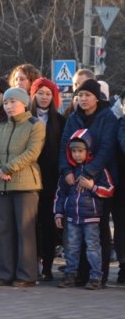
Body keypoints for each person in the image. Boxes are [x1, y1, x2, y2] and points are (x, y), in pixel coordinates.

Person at [58, 78, 117, 285]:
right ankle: (76, 274)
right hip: (74, 179)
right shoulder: (74, 116)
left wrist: (90, 172)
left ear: (96, 98)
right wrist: (66, 170)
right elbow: (65, 144)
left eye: (87, 95)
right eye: (80, 95)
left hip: (99, 179)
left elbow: (107, 147)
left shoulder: (107, 116)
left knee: (97, 232)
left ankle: (97, 276)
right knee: (75, 233)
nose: (83, 99)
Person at [0, 88, 46, 287]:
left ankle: (26, 275)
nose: (9, 106)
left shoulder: (35, 125)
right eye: (6, 102)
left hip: (25, 185)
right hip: (1, 184)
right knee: (4, 230)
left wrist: (8, 168)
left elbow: (32, 152)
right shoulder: (1, 126)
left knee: (25, 231)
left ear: (24, 103)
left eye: (13, 102)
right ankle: (6, 273)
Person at [55, 131, 114, 290]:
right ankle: (70, 275)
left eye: (80, 151)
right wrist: (59, 213)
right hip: (72, 218)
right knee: (71, 248)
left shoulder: (98, 170)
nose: (76, 155)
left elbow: (109, 190)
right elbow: (60, 193)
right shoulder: (69, 172)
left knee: (93, 248)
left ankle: (96, 277)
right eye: (73, 151)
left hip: (91, 218)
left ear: (88, 151)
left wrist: (92, 186)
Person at [29, 77, 64, 281]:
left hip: (51, 180)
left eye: (48, 94)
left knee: (48, 224)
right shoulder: (26, 118)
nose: (44, 97)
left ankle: (48, 266)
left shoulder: (59, 121)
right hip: (28, 178)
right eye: (40, 93)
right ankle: (31, 262)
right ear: (33, 96)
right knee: (31, 224)